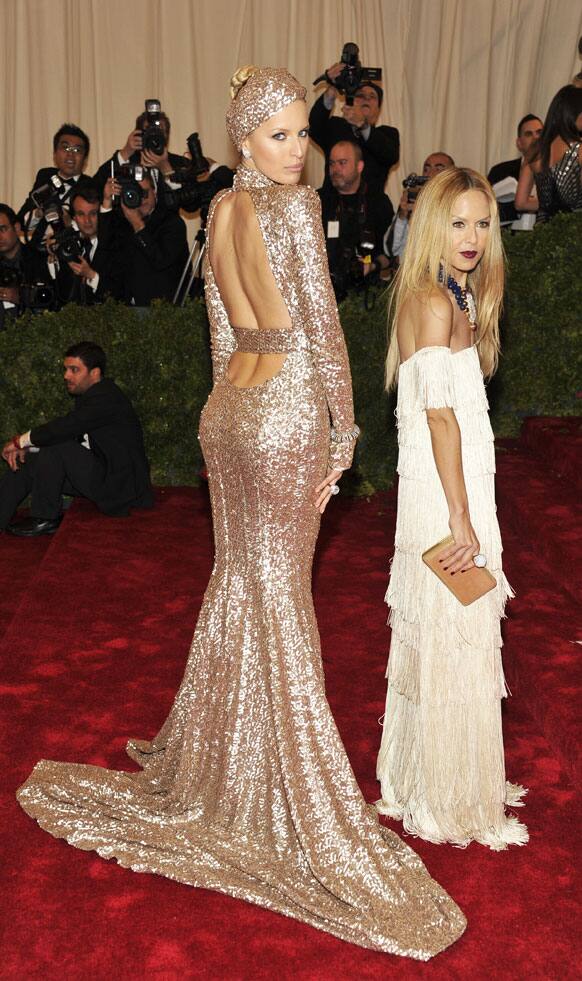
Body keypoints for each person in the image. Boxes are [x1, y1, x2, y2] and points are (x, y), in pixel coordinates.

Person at [17, 66, 466, 959]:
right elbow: (323, 326)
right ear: (244, 140)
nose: (297, 151)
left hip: (232, 410)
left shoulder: (217, 208)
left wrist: (222, 414)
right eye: (282, 136)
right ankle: (295, 788)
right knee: (283, 593)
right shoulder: (289, 210)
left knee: (242, 579)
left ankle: (224, 756)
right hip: (289, 403)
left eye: (304, 133)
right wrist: (342, 426)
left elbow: (222, 328)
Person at [376, 167, 528, 850]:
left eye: (483, 223)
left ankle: (429, 777)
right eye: (459, 223)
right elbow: (439, 417)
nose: (472, 237)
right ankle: (445, 793)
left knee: (448, 631)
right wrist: (462, 518)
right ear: (434, 225)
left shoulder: (447, 294)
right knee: (454, 632)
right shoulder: (435, 302)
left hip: (451, 481)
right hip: (447, 490)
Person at [1, 342, 153, 536]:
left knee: (57, 444)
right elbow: (79, 437)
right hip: (100, 473)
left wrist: (19, 441)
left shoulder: (106, 398)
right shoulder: (90, 396)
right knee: (29, 457)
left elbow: (64, 429)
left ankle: (46, 517)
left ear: (95, 373)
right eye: (66, 369)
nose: (66, 376)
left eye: (74, 370)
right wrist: (28, 448)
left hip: (120, 487)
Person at [318, 140, 393, 298]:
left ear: (359, 166)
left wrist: (372, 266)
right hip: (324, 294)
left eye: (342, 163)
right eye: (332, 163)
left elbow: (390, 252)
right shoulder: (318, 200)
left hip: (367, 296)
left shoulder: (377, 201)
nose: (335, 169)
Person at [100, 170, 189, 305]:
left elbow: (160, 260)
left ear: (155, 191)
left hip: (164, 311)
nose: (141, 200)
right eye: (134, 193)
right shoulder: (124, 222)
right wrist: (107, 201)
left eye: (145, 193)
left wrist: (138, 225)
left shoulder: (172, 223)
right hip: (127, 310)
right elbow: (104, 245)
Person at [309, 64, 399, 194]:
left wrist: (362, 124)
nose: (366, 98)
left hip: (371, 209)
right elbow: (315, 126)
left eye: (372, 96)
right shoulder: (336, 127)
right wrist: (332, 89)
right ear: (351, 101)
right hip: (333, 207)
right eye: (360, 95)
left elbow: (390, 155)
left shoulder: (388, 134)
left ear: (378, 109)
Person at [515, 85, 582, 219]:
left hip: (544, 234)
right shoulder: (579, 149)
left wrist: (552, 205)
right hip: (575, 233)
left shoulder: (536, 149)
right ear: (573, 113)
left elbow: (520, 203)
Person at [47, 185, 119, 306]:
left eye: (93, 214)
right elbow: (62, 296)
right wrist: (54, 260)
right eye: (81, 214)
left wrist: (91, 275)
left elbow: (120, 293)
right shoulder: (70, 246)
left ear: (101, 213)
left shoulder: (116, 244)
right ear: (74, 217)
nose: (87, 221)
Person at [93, 108, 187, 194]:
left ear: (167, 135)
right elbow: (95, 187)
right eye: (149, 130)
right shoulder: (127, 161)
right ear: (139, 134)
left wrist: (167, 170)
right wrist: (126, 152)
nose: (154, 135)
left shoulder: (179, 163)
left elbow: (190, 205)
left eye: (159, 131)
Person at [16, 124, 92, 230]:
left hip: (70, 244)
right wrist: (38, 213)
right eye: (65, 147)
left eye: (76, 150)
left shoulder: (91, 185)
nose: (70, 154)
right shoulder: (45, 176)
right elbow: (19, 224)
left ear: (85, 159)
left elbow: (96, 229)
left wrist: (71, 225)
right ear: (55, 154)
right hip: (37, 245)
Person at [385, 152, 455, 260]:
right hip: (410, 274)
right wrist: (402, 216)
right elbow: (390, 249)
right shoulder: (412, 202)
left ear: (452, 175)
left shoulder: (458, 207)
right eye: (426, 169)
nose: (430, 174)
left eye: (438, 169)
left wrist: (424, 215)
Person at [487, 115, 543, 223]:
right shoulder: (500, 171)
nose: (536, 138)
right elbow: (489, 210)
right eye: (528, 134)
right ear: (519, 143)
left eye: (539, 132)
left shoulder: (557, 170)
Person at [0, 204, 51, 320]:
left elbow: (52, 300)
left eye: (2, 229)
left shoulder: (39, 259)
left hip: (32, 331)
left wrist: (21, 297)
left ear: (17, 228)